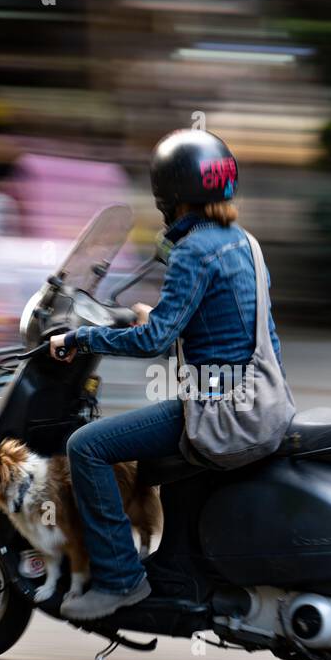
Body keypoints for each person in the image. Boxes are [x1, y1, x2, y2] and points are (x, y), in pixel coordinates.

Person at [49, 129, 283, 620]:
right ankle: (173, 564)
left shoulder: (194, 250)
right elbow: (237, 327)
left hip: (218, 411)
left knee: (86, 447)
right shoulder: (243, 243)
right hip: (260, 401)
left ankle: (119, 580)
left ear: (167, 195)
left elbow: (153, 343)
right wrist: (153, 316)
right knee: (144, 454)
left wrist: (79, 339)